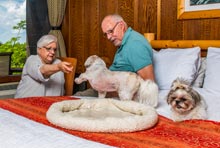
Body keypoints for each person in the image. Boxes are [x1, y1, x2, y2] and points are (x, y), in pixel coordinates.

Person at [75, 14, 155, 96]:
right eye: (106, 34)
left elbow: (149, 85)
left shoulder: (135, 44)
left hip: (113, 95)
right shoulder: (125, 42)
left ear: (121, 26)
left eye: (110, 31)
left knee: (76, 98)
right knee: (75, 97)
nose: (109, 37)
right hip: (105, 91)